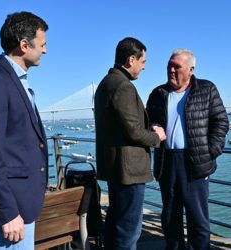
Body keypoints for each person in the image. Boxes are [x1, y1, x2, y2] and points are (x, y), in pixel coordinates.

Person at [0, 11, 48, 249]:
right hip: (12, 210)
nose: (45, 50)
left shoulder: (15, 81)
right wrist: (6, 212)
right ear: (24, 45)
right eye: (42, 45)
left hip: (22, 203)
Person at [146, 48, 229, 249]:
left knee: (198, 221)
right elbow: (147, 122)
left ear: (191, 69)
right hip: (167, 162)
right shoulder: (158, 93)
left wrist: (210, 152)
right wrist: (152, 127)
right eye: (169, 66)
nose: (171, 70)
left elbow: (221, 123)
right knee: (170, 218)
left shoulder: (207, 89)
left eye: (177, 67)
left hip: (197, 163)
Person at [94, 37, 166, 250]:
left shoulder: (106, 83)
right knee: (129, 230)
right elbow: (133, 131)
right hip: (129, 171)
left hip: (115, 168)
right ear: (131, 59)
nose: (144, 67)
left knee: (115, 224)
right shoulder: (123, 86)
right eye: (143, 62)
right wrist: (157, 137)